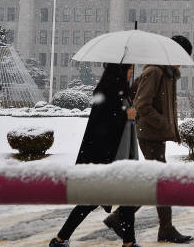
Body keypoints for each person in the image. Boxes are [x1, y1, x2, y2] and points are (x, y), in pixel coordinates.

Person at [105, 35, 194, 244]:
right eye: (181, 55)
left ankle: (122, 218)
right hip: (149, 134)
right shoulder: (154, 71)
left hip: (155, 134)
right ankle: (160, 227)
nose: (182, 61)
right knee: (161, 183)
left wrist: (170, 128)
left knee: (157, 183)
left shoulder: (167, 73)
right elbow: (142, 104)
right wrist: (163, 123)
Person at [50, 63, 139, 247]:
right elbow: (105, 124)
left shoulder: (120, 92)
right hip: (106, 158)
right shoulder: (107, 93)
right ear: (120, 71)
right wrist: (126, 116)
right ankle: (60, 239)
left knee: (128, 198)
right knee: (90, 202)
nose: (132, 72)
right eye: (129, 69)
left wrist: (130, 114)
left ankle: (129, 242)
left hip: (119, 156)